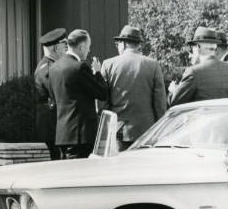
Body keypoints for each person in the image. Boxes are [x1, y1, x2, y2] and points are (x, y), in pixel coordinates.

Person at [100, 25, 166, 149]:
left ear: (123, 44)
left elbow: (102, 103)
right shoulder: (153, 65)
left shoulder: (108, 65)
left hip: (118, 130)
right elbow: (160, 104)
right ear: (138, 45)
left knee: (120, 167)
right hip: (147, 131)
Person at [50, 29, 108, 159]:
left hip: (62, 135)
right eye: (88, 47)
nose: (88, 51)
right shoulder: (80, 67)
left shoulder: (54, 67)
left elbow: (53, 98)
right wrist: (98, 73)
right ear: (81, 47)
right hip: (81, 135)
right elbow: (102, 93)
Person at [169, 26, 228, 106]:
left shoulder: (194, 72)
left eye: (192, 47)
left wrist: (173, 90)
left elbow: (174, 102)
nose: (191, 52)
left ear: (198, 47)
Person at [34, 27, 67, 160]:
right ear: (55, 48)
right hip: (53, 125)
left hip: (56, 123)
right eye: (64, 45)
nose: (66, 48)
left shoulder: (52, 66)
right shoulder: (47, 68)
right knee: (60, 164)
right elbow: (58, 95)